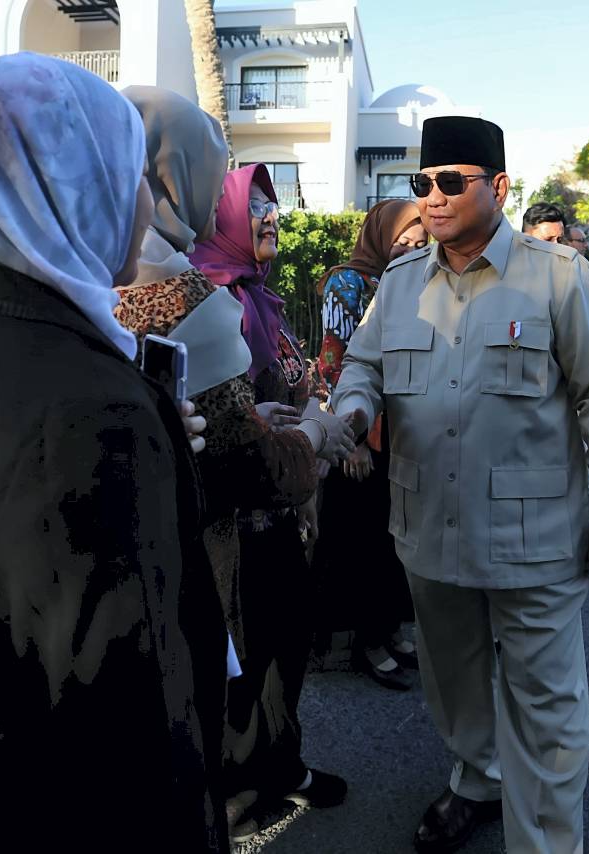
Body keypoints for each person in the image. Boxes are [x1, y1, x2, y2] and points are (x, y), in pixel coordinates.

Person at [0, 55, 229, 851]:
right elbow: (132, 732)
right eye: (132, 174)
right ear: (74, 188)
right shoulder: (91, 409)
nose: (144, 202)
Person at [330, 115, 589, 854]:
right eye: (422, 185)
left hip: (533, 538)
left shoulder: (558, 277)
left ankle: (544, 844)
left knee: (547, 707)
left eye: (450, 182)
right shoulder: (400, 283)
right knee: (454, 680)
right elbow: (363, 364)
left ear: (498, 187)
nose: (432, 198)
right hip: (427, 524)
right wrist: (352, 407)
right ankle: (477, 781)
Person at [112, 88, 354, 843]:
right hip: (217, 536)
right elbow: (245, 463)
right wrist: (313, 433)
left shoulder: (72, 274)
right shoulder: (183, 290)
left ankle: (265, 775)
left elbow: (201, 415)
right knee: (231, 680)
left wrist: (257, 416)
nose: (267, 221)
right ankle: (242, 796)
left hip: (128, 543)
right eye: (241, 198)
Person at [189, 163, 351, 825]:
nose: (270, 217)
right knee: (241, 667)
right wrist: (287, 426)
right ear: (222, 218)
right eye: (254, 206)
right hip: (237, 525)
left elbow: (285, 386)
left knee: (287, 648)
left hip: (284, 508)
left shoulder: (261, 296)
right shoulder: (210, 300)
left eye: (273, 205)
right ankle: (234, 788)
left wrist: (293, 418)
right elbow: (222, 425)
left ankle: (283, 767)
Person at [313, 199, 428, 692]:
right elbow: (334, 363)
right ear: (381, 234)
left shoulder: (416, 284)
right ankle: (365, 644)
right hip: (360, 435)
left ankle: (387, 630)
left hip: (401, 436)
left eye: (422, 243)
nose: (411, 248)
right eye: (404, 239)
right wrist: (353, 440)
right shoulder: (349, 284)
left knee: (392, 541)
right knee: (362, 543)